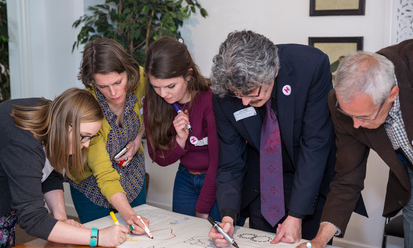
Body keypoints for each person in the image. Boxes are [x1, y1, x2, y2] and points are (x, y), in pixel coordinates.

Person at [208, 30, 340, 246]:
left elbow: (315, 145)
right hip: (265, 184)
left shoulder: (310, 66)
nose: (244, 102)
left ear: (274, 71)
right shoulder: (225, 91)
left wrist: (296, 215)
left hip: (311, 181)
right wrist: (228, 217)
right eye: (238, 94)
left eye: (251, 92)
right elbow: (230, 162)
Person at [0, 88, 129, 247]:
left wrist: (61, 218)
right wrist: (97, 237)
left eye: (91, 137)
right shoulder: (22, 144)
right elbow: (32, 219)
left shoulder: (53, 116)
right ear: (65, 124)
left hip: (1, 203)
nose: (86, 144)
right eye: (83, 136)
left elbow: (48, 173)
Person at [298, 40, 413, 248]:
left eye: (364, 117)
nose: (356, 125)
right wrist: (319, 240)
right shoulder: (343, 106)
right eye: (349, 115)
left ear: (392, 95)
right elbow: (347, 178)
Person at [69, 38, 149, 231]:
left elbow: (151, 112)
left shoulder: (141, 78)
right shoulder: (90, 109)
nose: (113, 92)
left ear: (128, 72)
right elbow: (104, 174)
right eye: (103, 86)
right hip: (92, 186)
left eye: (118, 82)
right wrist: (129, 214)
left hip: (132, 175)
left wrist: (138, 139)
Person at [143, 37, 220, 221]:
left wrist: (202, 208)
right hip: (185, 178)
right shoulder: (153, 102)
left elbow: (220, 162)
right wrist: (179, 141)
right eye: (156, 87)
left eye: (170, 86)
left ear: (188, 75)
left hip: (218, 179)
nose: (163, 94)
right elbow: (158, 157)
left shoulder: (212, 100)